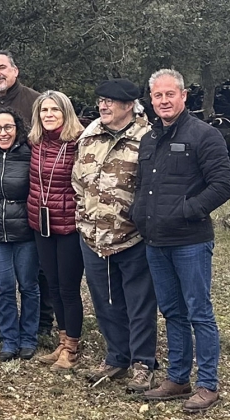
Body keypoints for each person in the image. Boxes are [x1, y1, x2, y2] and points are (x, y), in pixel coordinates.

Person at [134, 69, 230, 412]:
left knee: (199, 312)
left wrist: (188, 211)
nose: (163, 101)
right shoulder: (149, 139)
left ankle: (208, 384)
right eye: (157, 96)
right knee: (172, 311)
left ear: (183, 95)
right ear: (151, 99)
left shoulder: (204, 135)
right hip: (155, 241)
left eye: (169, 94)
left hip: (190, 241)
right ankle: (177, 378)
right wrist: (139, 214)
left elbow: (222, 185)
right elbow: (144, 185)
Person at [73, 79, 157, 392]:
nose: (103, 106)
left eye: (111, 102)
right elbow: (77, 181)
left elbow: (153, 186)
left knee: (139, 304)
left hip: (132, 237)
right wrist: (83, 216)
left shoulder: (148, 136)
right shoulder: (90, 133)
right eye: (101, 101)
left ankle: (143, 363)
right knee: (105, 302)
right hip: (93, 237)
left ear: (129, 106)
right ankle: (117, 356)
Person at [0, 50, 53, 345]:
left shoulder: (35, 101)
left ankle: (42, 324)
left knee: (35, 274)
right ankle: (2, 326)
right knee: (3, 279)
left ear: (15, 71)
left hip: (31, 199)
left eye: (2, 67)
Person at [27, 90, 84, 370]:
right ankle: (62, 341)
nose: (49, 115)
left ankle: (72, 347)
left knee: (69, 288)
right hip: (42, 223)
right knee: (53, 285)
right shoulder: (35, 142)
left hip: (70, 225)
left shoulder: (78, 142)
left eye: (54, 110)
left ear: (66, 112)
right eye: (44, 110)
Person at [0, 107, 40, 362]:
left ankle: (28, 338)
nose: (3, 133)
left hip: (25, 231)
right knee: (3, 288)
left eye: (8, 127)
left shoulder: (30, 153)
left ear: (18, 129)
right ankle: (9, 339)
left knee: (28, 286)